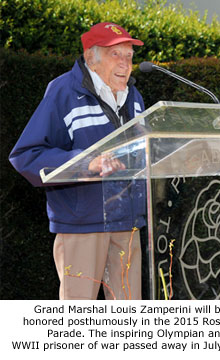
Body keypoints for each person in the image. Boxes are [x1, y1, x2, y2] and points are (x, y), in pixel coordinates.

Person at [9, 22, 146, 300]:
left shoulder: (133, 96)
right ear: (91, 58)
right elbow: (27, 155)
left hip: (127, 224)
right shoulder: (63, 92)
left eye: (129, 56)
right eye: (115, 54)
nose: (125, 63)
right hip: (83, 225)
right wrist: (85, 162)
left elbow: (141, 149)